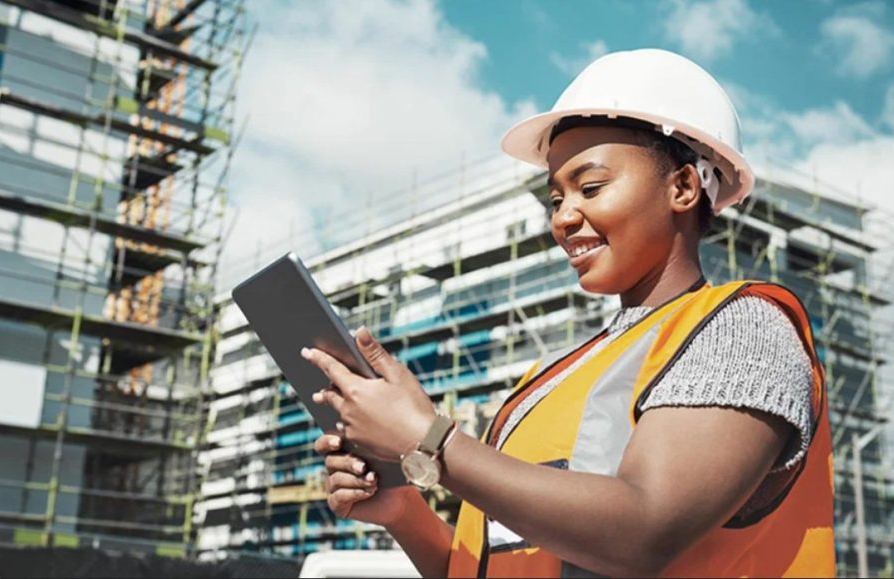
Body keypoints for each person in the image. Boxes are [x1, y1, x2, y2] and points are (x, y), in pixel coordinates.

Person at [301, 49, 835, 578]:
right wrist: (402, 512)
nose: (563, 218)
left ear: (683, 187)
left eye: (591, 187)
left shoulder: (745, 328)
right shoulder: (551, 381)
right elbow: (492, 565)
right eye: (556, 199)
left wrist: (429, 440)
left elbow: (644, 533)